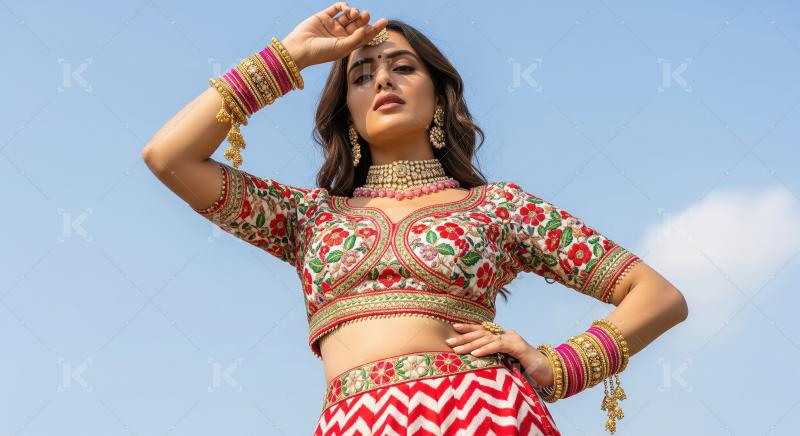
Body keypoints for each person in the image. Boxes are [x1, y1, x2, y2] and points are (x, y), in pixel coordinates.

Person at [142, 3, 689, 434]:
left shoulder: (499, 208)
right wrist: (290, 55)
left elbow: (658, 296)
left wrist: (557, 366)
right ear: (348, 114)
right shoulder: (308, 219)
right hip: (352, 423)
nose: (383, 80)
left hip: (483, 415)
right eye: (362, 75)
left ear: (439, 95)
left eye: (403, 67)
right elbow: (169, 156)